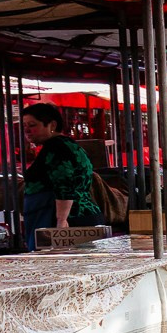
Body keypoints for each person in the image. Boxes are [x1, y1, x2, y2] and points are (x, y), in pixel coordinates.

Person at [19, 102, 105, 248]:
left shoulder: (56, 148)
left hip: (65, 220)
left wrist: (61, 221)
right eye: (24, 126)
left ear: (52, 125)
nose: (27, 130)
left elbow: (64, 185)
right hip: (80, 215)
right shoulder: (68, 145)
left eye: (32, 125)